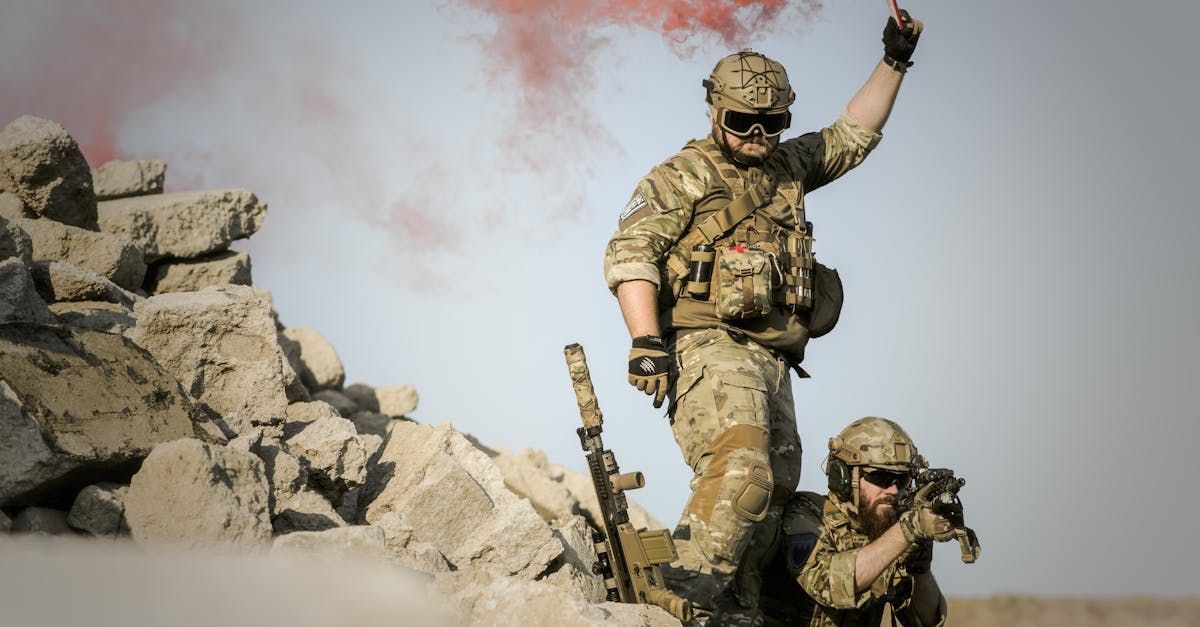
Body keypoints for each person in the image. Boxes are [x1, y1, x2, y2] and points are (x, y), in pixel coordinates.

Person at [602, 12, 924, 624]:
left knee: (771, 496)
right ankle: (678, 598)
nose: (757, 132)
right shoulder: (683, 174)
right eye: (741, 121)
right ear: (713, 112)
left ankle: (732, 609)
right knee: (741, 469)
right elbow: (630, 252)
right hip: (709, 347)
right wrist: (645, 338)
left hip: (774, 362)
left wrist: (895, 58)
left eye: (771, 122)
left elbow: (853, 134)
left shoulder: (786, 170)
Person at [791, 417, 952, 626]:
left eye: (902, 480)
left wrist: (920, 569)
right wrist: (907, 531)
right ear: (845, 476)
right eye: (881, 477)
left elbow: (926, 621)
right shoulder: (806, 514)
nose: (893, 491)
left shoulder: (888, 529)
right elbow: (829, 584)